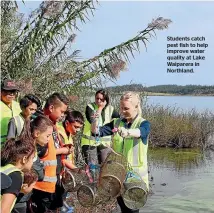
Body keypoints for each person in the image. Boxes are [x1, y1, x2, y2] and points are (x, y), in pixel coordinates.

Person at [91, 91, 151, 213]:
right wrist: (95, 120)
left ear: (136, 106)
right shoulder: (117, 122)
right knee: (123, 208)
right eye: (121, 108)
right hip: (118, 178)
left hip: (135, 180)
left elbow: (141, 132)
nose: (122, 111)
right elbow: (96, 132)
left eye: (126, 108)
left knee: (132, 210)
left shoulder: (143, 123)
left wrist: (128, 132)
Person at [31, 93, 72, 213]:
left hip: (52, 182)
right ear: (51, 108)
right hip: (41, 185)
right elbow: (36, 154)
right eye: (62, 112)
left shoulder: (53, 125)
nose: (63, 116)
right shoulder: (39, 125)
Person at [81, 89, 119, 165]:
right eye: (97, 98)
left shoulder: (110, 109)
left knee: (105, 167)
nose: (98, 101)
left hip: (105, 144)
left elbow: (119, 120)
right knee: (93, 169)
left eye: (101, 99)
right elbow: (93, 122)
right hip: (90, 143)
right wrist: (100, 108)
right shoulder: (90, 107)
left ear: (106, 100)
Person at [0, 138, 35, 213]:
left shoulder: (4, 168)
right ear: (24, 159)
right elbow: (3, 210)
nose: (33, 162)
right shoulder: (16, 175)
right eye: (32, 158)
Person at [1, 79, 21, 146]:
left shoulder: (18, 106)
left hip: (15, 147)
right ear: (1, 91)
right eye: (8, 91)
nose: (12, 94)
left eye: (14, 91)